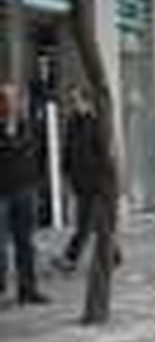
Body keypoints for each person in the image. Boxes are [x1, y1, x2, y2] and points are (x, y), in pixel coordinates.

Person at [54, 87, 113, 275]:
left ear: (86, 102)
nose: (73, 105)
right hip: (80, 183)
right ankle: (114, 254)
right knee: (98, 223)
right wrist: (65, 173)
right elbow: (67, 150)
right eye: (71, 101)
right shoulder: (72, 123)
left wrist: (104, 180)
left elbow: (103, 154)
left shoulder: (95, 123)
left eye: (76, 100)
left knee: (84, 225)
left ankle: (70, 258)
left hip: (94, 182)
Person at [0, 83, 48, 306]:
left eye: (13, 99)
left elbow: (34, 152)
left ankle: (28, 289)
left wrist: (37, 185)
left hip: (24, 190)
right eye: (5, 99)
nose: (10, 104)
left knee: (26, 243)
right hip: (2, 193)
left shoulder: (26, 126)